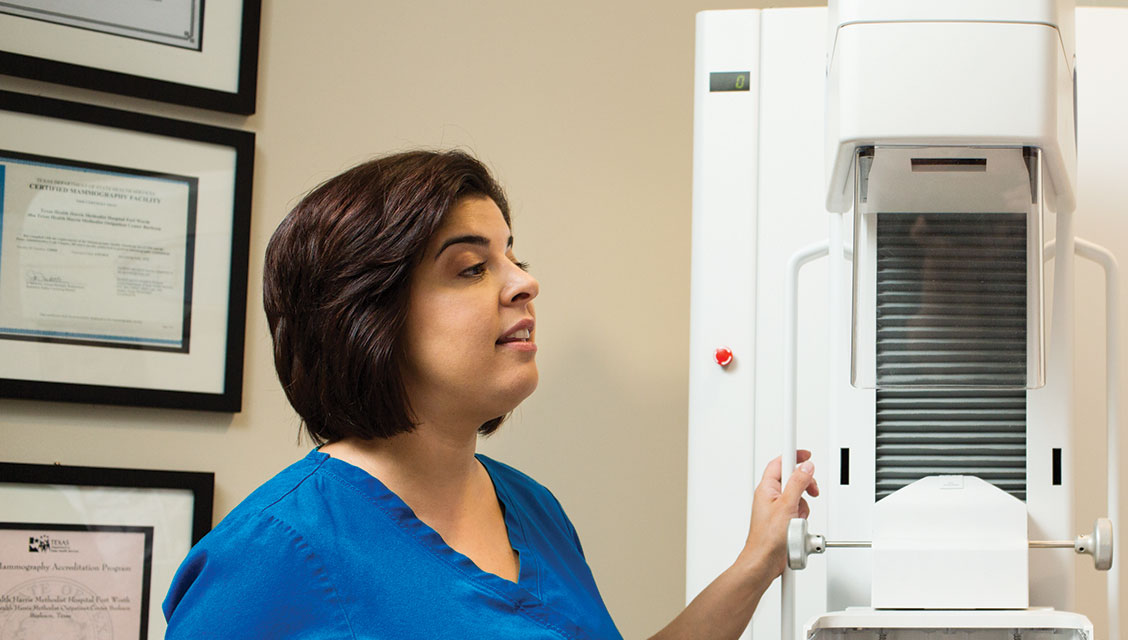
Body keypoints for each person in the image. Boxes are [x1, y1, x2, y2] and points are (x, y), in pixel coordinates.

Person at [162, 150, 817, 638]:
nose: (524, 283)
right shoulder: (273, 554)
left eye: (513, 256)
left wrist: (756, 562)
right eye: (472, 268)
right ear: (365, 318)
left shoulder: (532, 509)